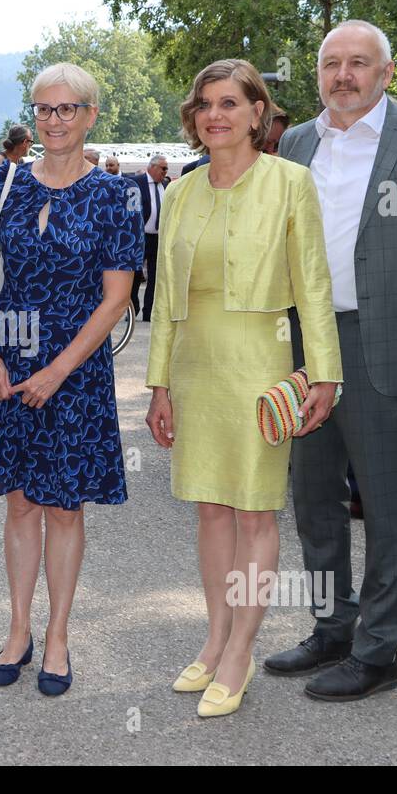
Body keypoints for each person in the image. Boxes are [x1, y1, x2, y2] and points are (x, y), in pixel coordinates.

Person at [266, 19, 397, 700]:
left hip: (382, 342)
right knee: (313, 495)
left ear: (386, 73)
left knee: (384, 502)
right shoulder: (296, 142)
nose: (344, 75)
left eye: (360, 63)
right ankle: (333, 626)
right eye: (332, 63)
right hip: (306, 343)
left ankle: (379, 650)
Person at [146, 59, 340, 718]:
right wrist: (158, 385)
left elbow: (314, 286)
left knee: (254, 512)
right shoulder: (179, 193)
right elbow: (166, 297)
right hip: (195, 368)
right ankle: (215, 636)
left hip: (260, 363)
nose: (215, 115)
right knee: (208, 509)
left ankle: (240, 651)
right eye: (205, 104)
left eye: (230, 102)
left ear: (259, 113)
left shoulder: (291, 183)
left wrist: (325, 374)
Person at [0, 63, 141, 698]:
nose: (54, 120)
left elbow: (116, 297)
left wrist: (59, 370)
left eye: (67, 109)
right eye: (43, 109)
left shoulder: (115, 196)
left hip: (75, 372)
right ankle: (17, 629)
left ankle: (57, 635)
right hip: (3, 360)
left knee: (64, 504)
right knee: (20, 503)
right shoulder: (2, 184)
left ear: (90, 116)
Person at [130, 154, 169, 321]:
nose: (165, 172)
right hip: (140, 237)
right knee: (135, 276)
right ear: (152, 167)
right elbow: (130, 210)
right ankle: (133, 307)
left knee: (155, 277)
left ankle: (148, 312)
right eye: (163, 168)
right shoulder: (136, 183)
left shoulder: (166, 185)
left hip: (158, 238)